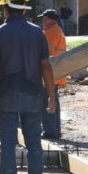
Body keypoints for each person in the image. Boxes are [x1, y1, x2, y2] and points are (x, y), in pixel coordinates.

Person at [0, 0, 56, 174]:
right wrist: (52, 96)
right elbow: (46, 66)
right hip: (33, 94)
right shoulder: (37, 33)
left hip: (7, 95)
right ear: (24, 8)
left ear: (5, 7)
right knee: (34, 143)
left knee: (7, 143)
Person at [40, 9, 67, 139]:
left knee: (47, 100)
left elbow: (47, 53)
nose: (42, 20)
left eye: (44, 18)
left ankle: (50, 131)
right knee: (53, 99)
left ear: (51, 19)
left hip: (50, 72)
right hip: (56, 71)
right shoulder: (55, 30)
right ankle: (55, 130)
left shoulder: (51, 32)